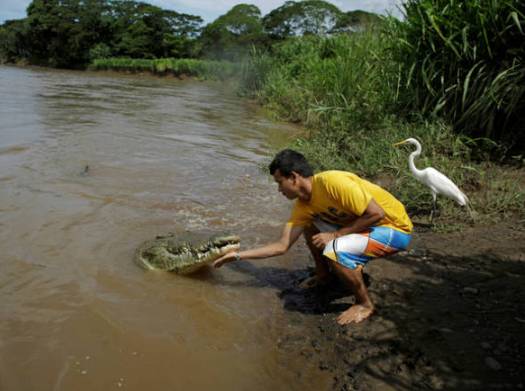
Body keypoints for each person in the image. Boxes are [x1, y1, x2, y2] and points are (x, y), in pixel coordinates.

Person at [213, 149, 413, 325]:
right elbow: (282, 246)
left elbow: (376, 213)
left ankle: (364, 304)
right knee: (310, 226)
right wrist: (238, 256)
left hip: (394, 229)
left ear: (293, 177)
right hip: (369, 229)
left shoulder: (332, 182)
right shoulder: (303, 206)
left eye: (279, 182)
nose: (279, 190)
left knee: (334, 248)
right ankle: (323, 275)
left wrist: (335, 235)